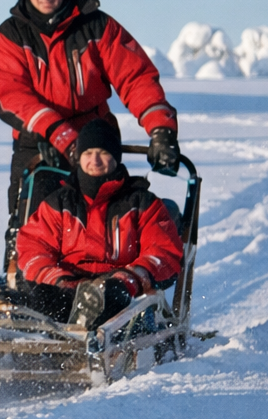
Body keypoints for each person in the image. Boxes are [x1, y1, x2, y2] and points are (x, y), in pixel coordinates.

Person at [0, 0, 180, 272]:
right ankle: (30, 285)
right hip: (37, 141)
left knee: (104, 208)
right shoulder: (11, 35)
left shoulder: (96, 26)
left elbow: (135, 76)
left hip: (95, 137)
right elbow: (9, 93)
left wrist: (160, 129)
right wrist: (53, 130)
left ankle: (109, 281)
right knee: (34, 216)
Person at [15, 118, 184, 328]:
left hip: (121, 292)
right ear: (78, 157)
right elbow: (33, 247)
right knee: (36, 295)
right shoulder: (59, 203)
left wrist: (127, 280)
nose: (94, 161)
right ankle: (32, 339)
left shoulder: (142, 203)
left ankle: (82, 337)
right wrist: (59, 280)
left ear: (116, 157)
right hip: (68, 287)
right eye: (87, 153)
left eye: (103, 153)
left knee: (112, 303)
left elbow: (162, 252)